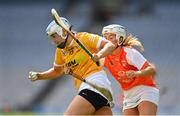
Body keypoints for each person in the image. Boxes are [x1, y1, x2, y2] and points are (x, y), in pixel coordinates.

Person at [28, 17, 116, 115]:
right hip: (87, 87)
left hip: (96, 83)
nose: (53, 41)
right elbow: (57, 71)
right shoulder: (60, 51)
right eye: (51, 37)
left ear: (64, 32)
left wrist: (99, 55)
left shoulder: (84, 38)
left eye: (54, 36)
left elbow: (110, 45)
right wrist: (39, 76)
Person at [97, 24, 159, 115]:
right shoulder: (105, 57)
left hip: (145, 90)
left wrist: (136, 73)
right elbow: (89, 64)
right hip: (128, 95)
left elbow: (152, 69)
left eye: (111, 37)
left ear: (120, 38)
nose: (107, 40)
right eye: (105, 37)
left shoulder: (129, 53)